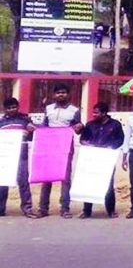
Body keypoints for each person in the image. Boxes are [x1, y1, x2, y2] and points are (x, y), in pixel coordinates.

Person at [38, 84, 83, 219]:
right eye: (58, 93)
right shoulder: (48, 109)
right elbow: (44, 127)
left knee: (65, 178)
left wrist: (79, 127)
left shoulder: (74, 110)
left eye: (63, 92)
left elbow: (78, 128)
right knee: (47, 178)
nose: (61, 95)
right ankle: (43, 208)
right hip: (49, 146)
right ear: (54, 95)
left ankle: (65, 208)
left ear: (68, 95)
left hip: (65, 147)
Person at [78, 103, 124, 219]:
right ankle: (87, 211)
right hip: (92, 158)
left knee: (108, 184)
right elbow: (83, 139)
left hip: (107, 158)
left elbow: (120, 140)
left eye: (96, 113)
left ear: (104, 113)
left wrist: (111, 147)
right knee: (89, 183)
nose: (93, 115)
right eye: (93, 112)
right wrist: (86, 143)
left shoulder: (115, 125)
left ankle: (111, 210)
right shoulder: (90, 125)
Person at [0, 98, 36, 218]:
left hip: (22, 156)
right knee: (2, 181)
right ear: (5, 109)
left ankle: (27, 209)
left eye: (14, 107)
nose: (12, 110)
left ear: (18, 106)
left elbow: (32, 137)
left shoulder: (25, 120)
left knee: (23, 182)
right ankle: (1, 209)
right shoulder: (1, 122)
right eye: (9, 108)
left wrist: (31, 131)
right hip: (5, 157)